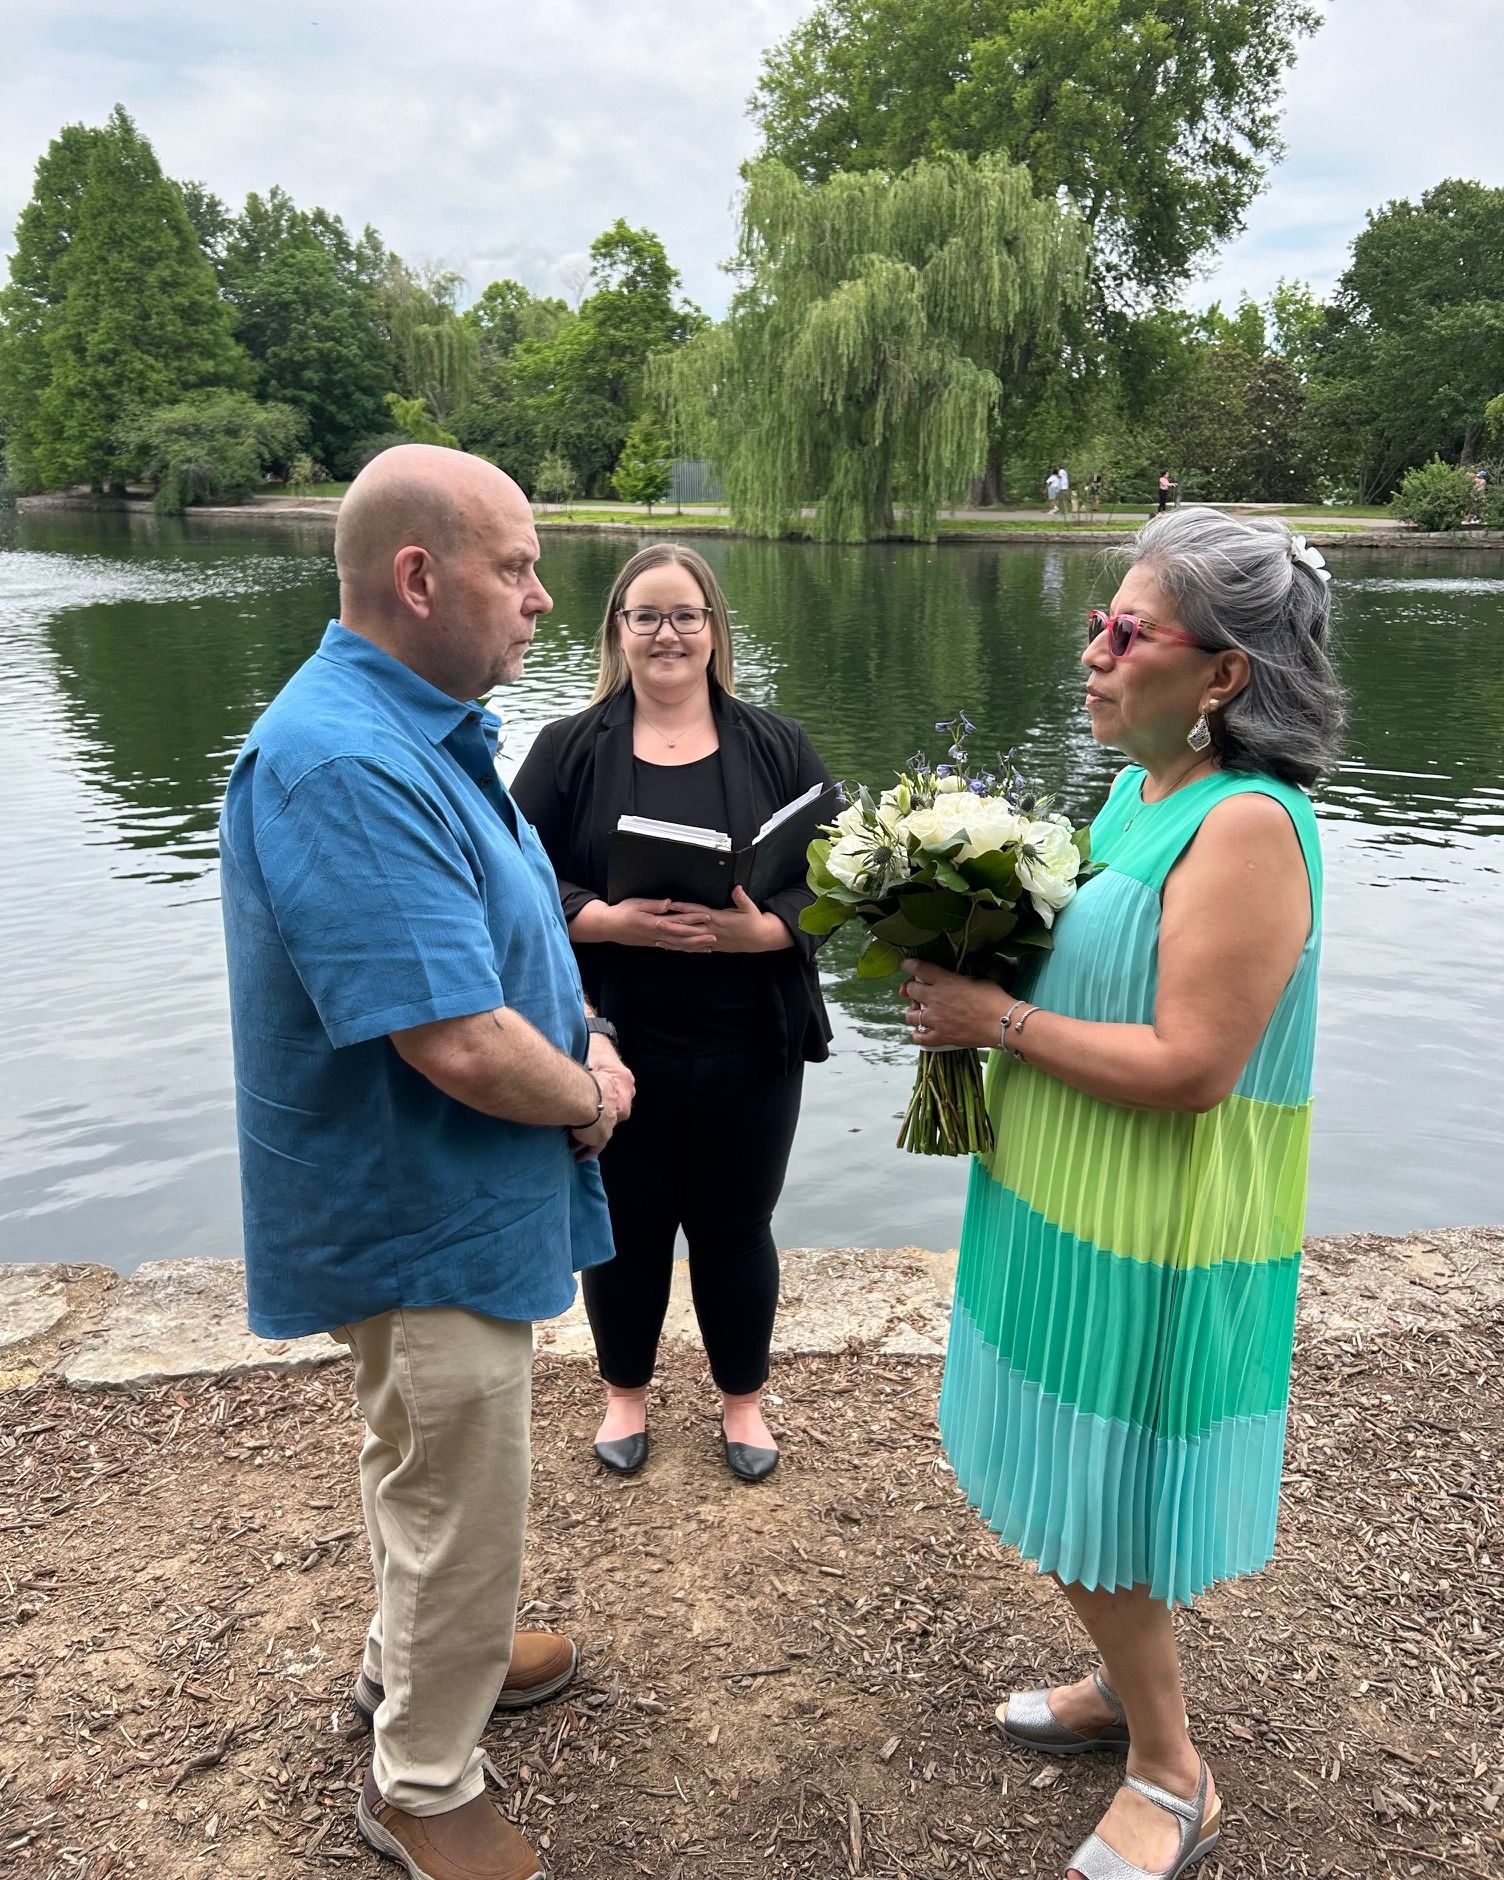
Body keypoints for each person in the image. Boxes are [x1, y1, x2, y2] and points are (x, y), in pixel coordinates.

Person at [897, 508, 1342, 1880]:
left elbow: (1198, 1065)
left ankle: (1171, 1768)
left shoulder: (1252, 823)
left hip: (1152, 1223)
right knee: (1075, 1483)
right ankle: (1121, 1691)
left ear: (1224, 677)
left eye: (1126, 632)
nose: (1092, 652)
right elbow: (1103, 975)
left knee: (1105, 1496)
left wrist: (994, 1018)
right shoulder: (1136, 794)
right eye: (1100, 623)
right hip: (1060, 1191)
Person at [220, 444, 631, 1880]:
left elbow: (509, 934)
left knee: (430, 1461)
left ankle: (418, 1659)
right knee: (461, 1484)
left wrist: (592, 1035)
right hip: (418, 1210)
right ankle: (423, 1779)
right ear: (419, 576)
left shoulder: (426, 726)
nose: (540, 597)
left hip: (454, 1194)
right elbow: (454, 1039)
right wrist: (585, 1095)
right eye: (516, 566)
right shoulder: (344, 757)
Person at [512, 544, 834, 1484]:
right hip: (617, 1034)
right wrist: (601, 916)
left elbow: (842, 878)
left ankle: (743, 1402)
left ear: (714, 629)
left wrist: (767, 935)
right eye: (645, 615)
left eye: (685, 615)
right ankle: (625, 1393)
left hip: (751, 1034)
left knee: (739, 1224)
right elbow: (516, 877)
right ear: (616, 630)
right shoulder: (570, 749)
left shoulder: (777, 744)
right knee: (628, 1222)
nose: (667, 633)